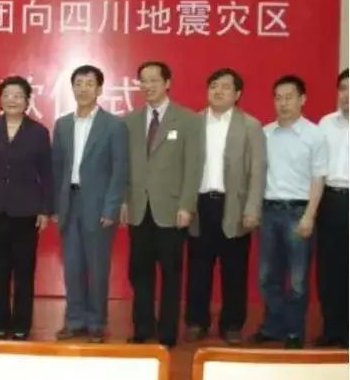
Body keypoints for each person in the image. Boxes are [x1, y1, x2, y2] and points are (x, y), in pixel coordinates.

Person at [122, 60, 203, 348]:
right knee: (139, 272)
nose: (148, 86)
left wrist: (187, 205)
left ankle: (168, 332)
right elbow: (124, 166)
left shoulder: (188, 119)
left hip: (171, 210)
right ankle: (142, 327)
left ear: (167, 83)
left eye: (154, 80)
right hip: (138, 208)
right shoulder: (129, 121)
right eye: (143, 81)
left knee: (171, 274)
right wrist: (124, 201)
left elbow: (193, 166)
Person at [184, 68, 266, 345]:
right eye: (213, 86)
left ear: (237, 94)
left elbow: (257, 171)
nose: (218, 91)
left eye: (225, 87)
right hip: (200, 205)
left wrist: (252, 208)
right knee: (198, 268)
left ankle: (232, 324)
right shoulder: (194, 122)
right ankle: (197, 322)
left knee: (234, 269)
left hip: (235, 206)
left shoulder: (250, 125)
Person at [250, 75, 327, 349]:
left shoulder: (315, 135)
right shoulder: (265, 133)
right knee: (267, 277)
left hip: (298, 212)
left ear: (302, 99)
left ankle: (294, 332)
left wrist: (310, 215)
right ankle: (273, 327)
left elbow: (318, 178)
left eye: (289, 97)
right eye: (278, 98)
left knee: (297, 281)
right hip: (269, 212)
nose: (283, 103)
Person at [52, 65, 128, 344]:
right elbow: (57, 167)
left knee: (97, 268)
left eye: (89, 84)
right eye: (78, 84)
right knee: (72, 267)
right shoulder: (63, 124)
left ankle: (97, 322)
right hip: (69, 203)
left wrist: (111, 208)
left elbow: (120, 171)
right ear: (72, 88)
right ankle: (74, 320)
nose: (83, 89)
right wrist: (55, 206)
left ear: (99, 89)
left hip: (98, 205)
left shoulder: (114, 125)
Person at [0, 76, 53, 341]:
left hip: (26, 211)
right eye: (7, 95)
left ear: (27, 100)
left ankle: (21, 324)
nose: (12, 100)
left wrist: (45, 209)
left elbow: (47, 173)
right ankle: (0, 322)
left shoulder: (39, 132)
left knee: (24, 271)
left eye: (18, 95)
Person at [314, 69, 349, 348]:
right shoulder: (325, 124)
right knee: (328, 268)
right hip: (329, 201)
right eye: (343, 88)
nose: (347, 95)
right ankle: (332, 330)